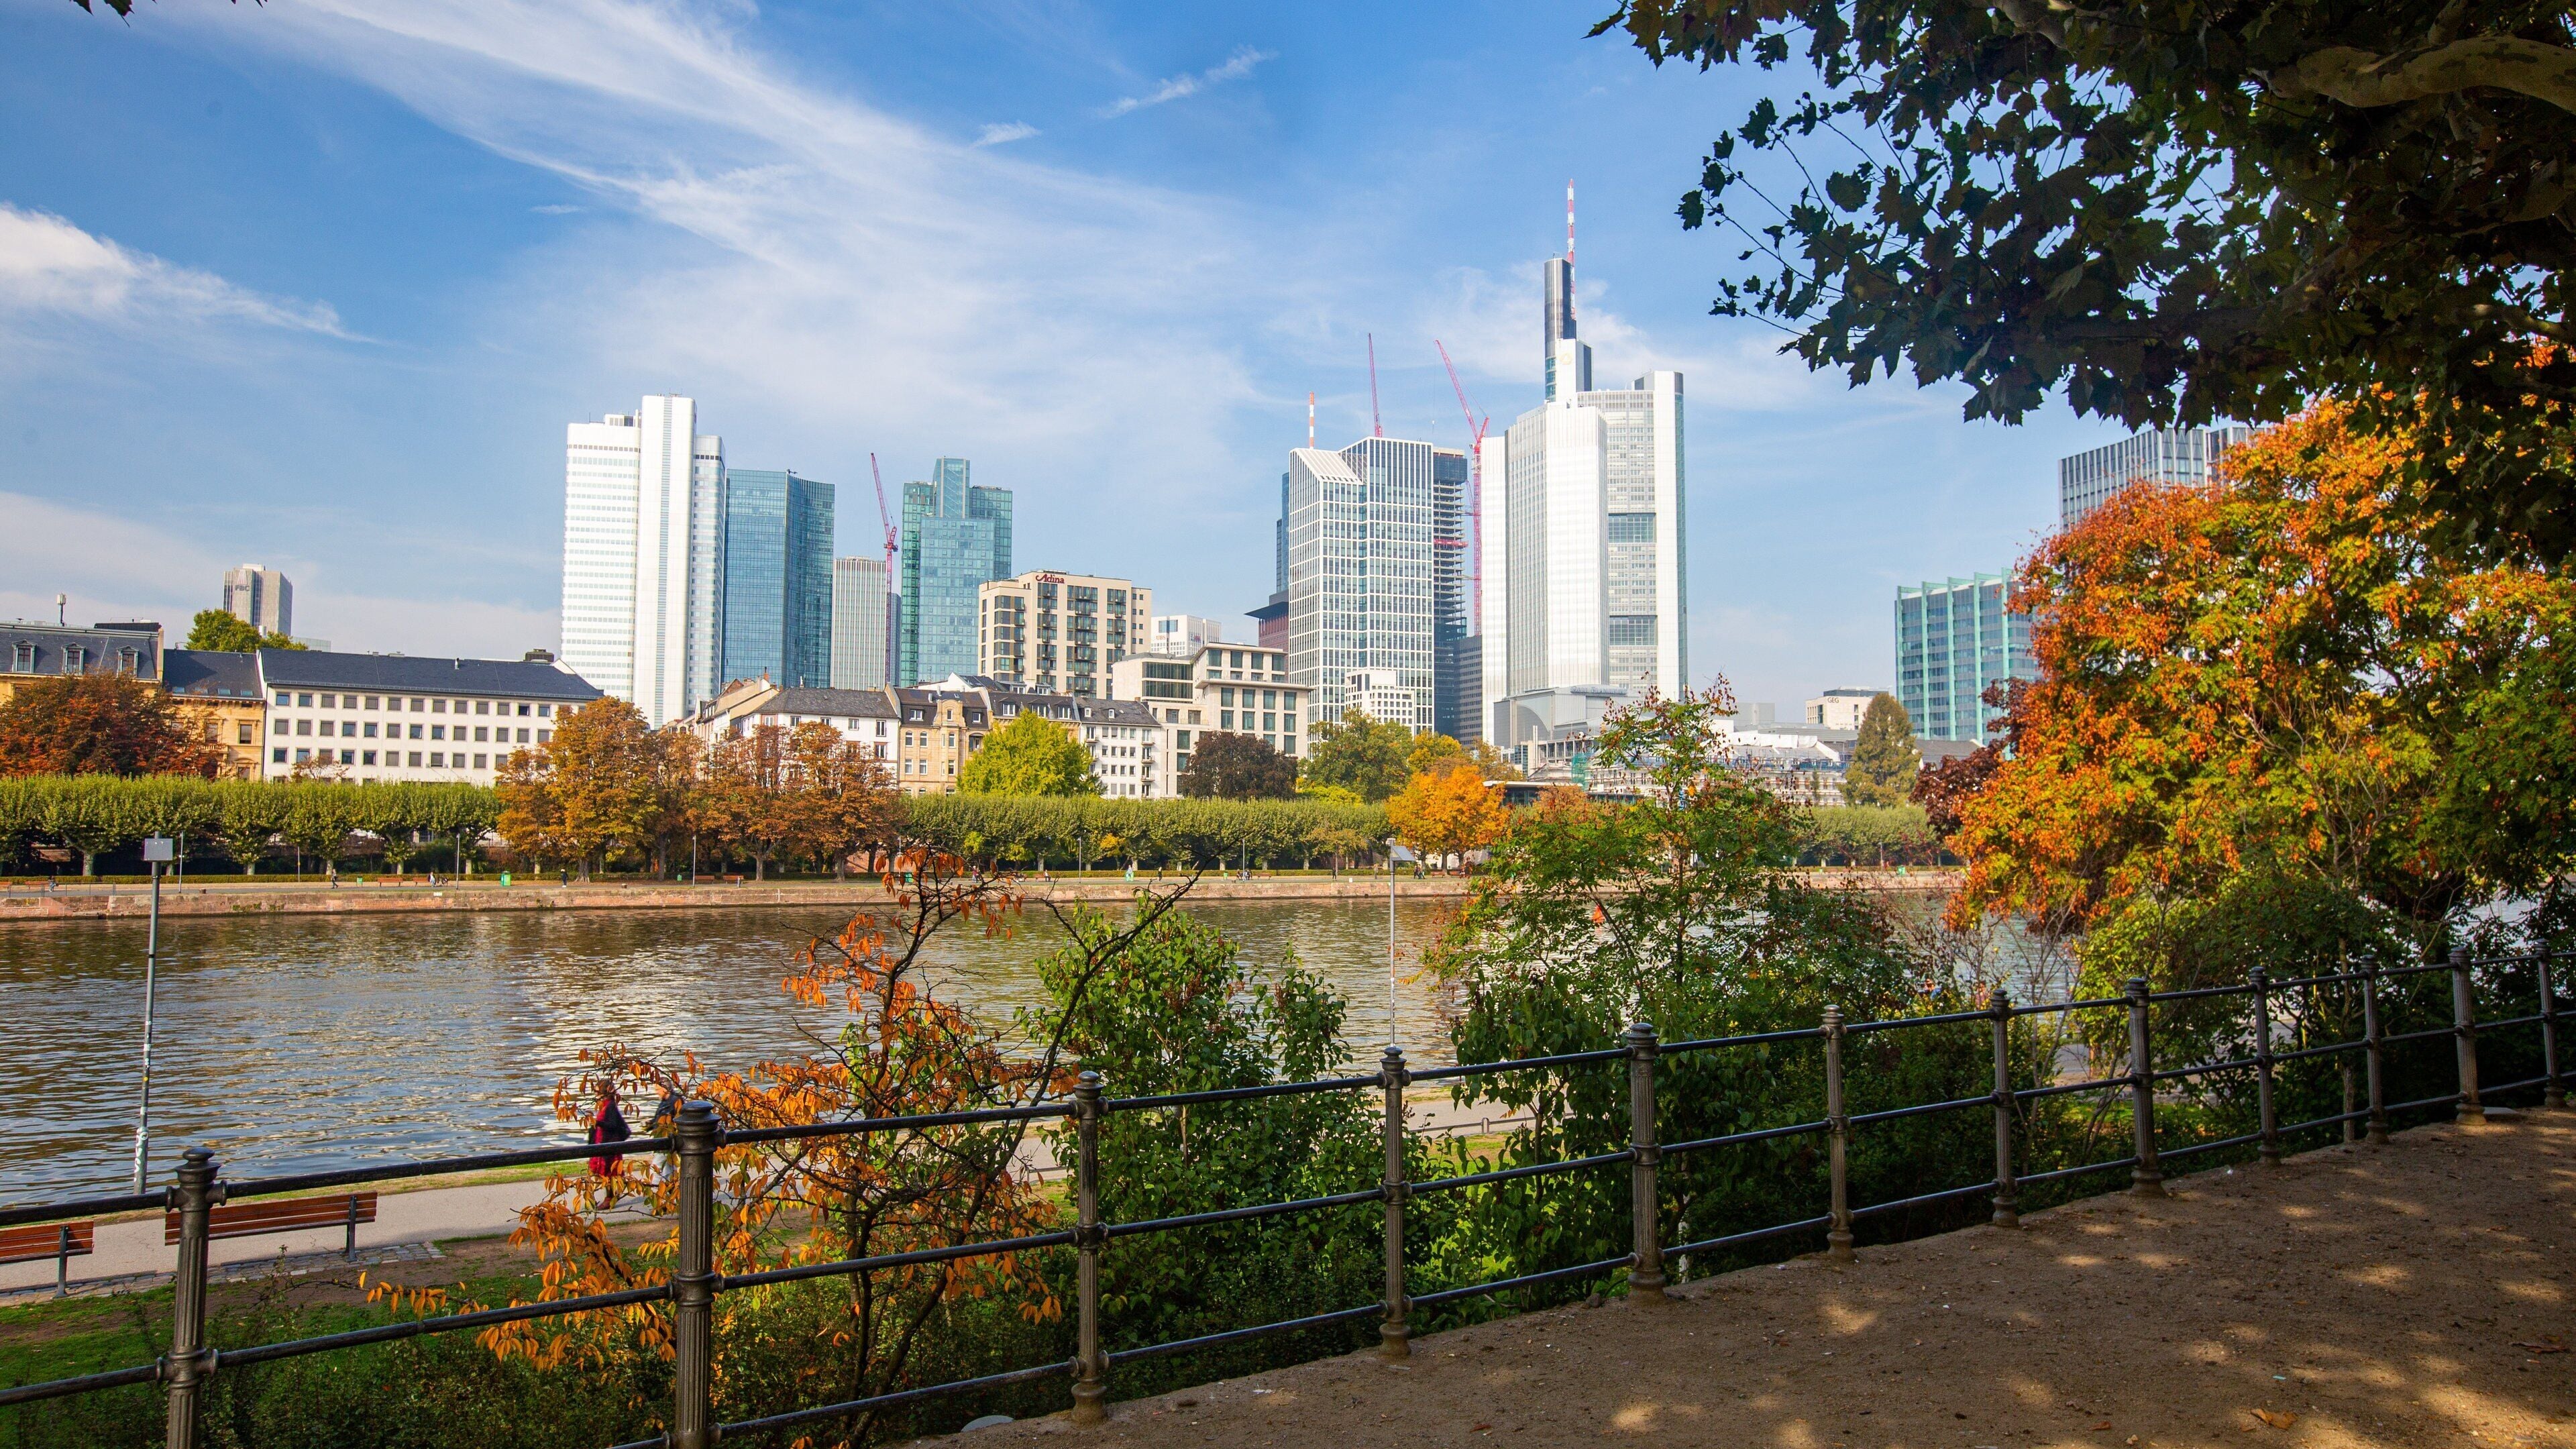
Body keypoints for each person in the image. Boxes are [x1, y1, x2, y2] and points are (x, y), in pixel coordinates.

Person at [587, 1087, 632, 1177]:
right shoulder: (604, 1105)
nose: (595, 1094)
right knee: (600, 1174)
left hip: (608, 1144)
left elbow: (613, 1125)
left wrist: (597, 1123)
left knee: (610, 1174)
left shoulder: (610, 1106)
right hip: (601, 1144)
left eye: (597, 1091)